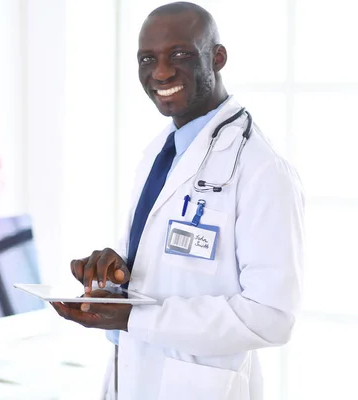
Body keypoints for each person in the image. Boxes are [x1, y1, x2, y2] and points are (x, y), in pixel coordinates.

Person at [50, 2, 304, 400]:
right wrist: (116, 271)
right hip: (129, 376)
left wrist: (137, 317)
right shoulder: (159, 152)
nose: (162, 72)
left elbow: (272, 318)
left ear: (217, 57)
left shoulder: (261, 168)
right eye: (147, 59)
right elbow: (163, 262)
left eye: (180, 55)